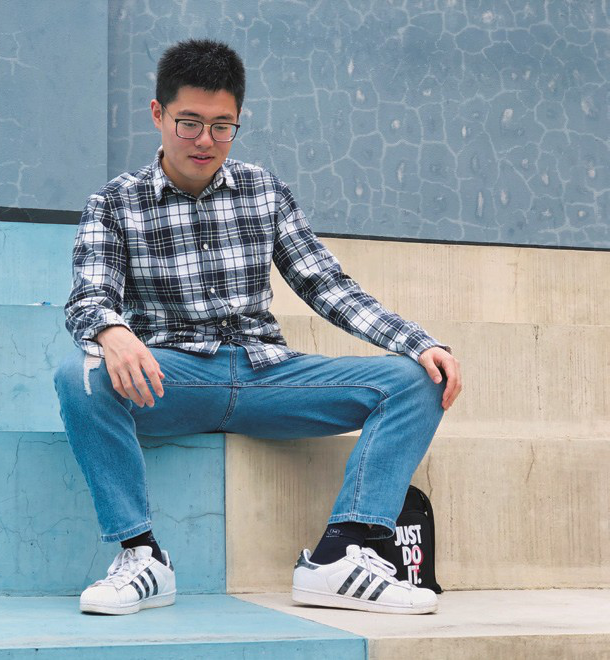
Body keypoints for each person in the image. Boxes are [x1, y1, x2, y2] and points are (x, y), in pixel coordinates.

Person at [53, 38, 461, 616]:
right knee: (81, 376)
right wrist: (112, 332)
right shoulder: (115, 202)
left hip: (268, 375)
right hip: (173, 378)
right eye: (189, 122)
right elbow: (89, 296)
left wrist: (417, 342)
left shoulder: (264, 191)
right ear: (158, 114)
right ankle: (142, 556)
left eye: (222, 126)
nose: (204, 140)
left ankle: (340, 555)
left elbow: (326, 285)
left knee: (419, 379)